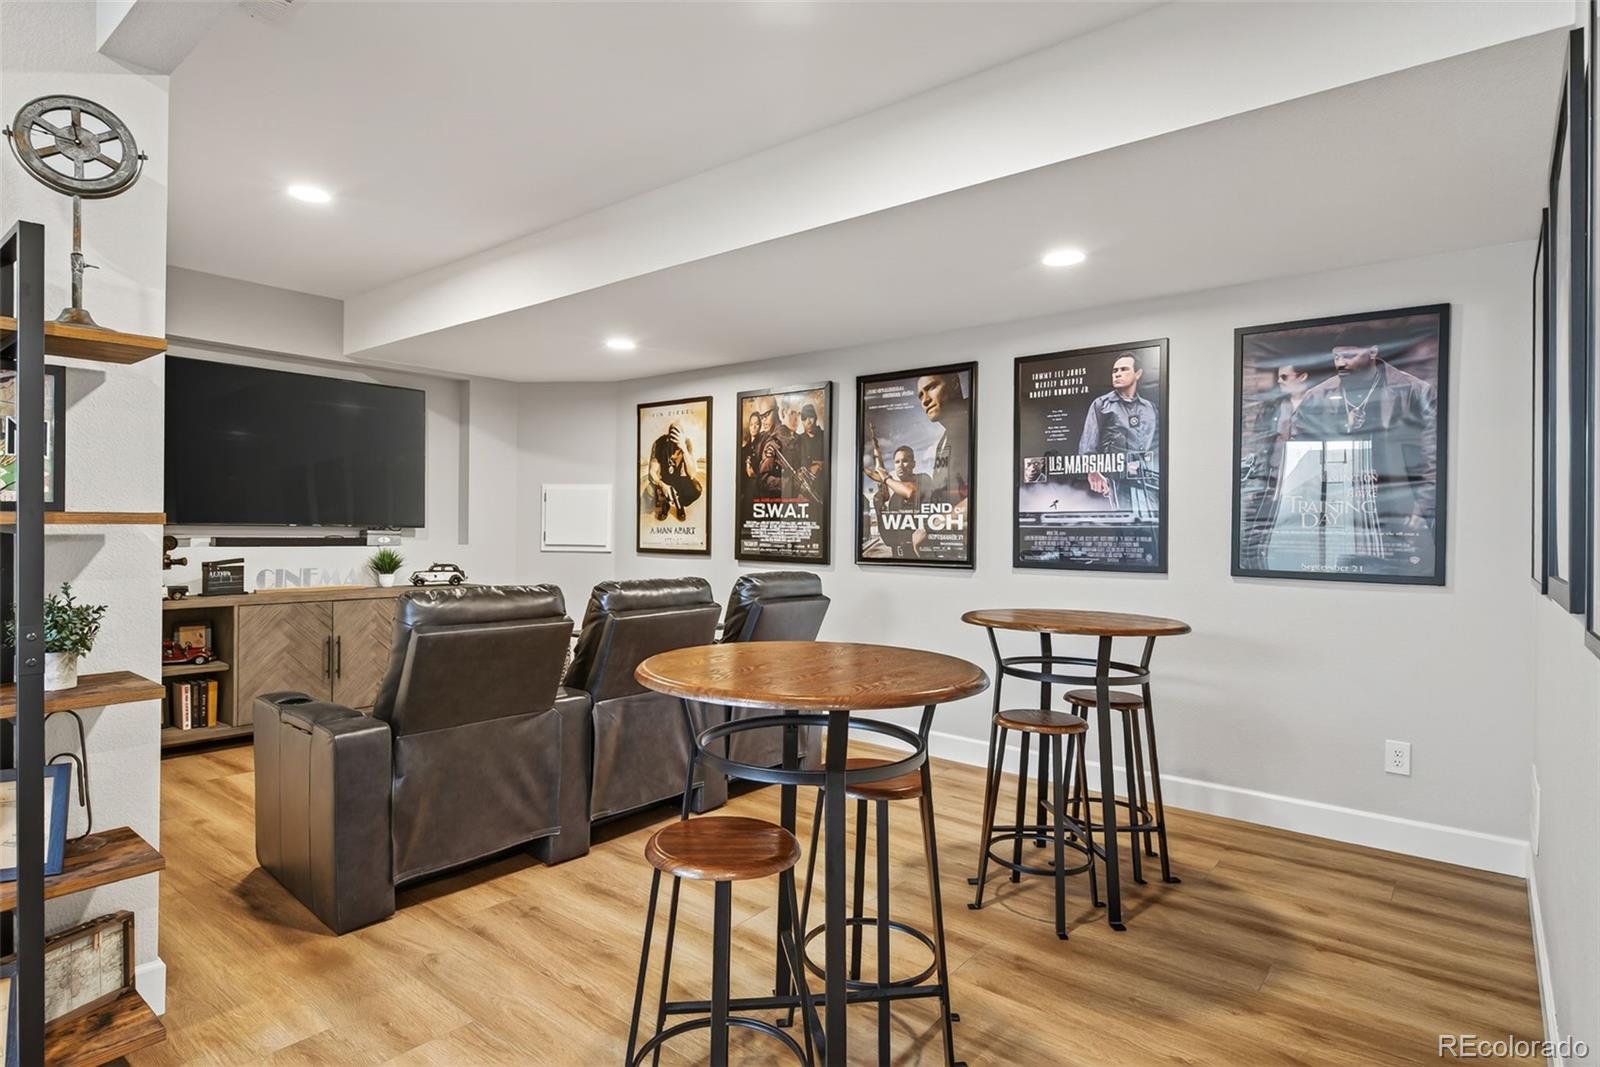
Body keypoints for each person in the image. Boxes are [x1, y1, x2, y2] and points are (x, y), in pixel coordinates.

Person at [1290, 321, 1439, 564]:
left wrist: (1422, 510)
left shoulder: (1415, 391)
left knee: (1399, 576)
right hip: (1341, 508)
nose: (1341, 363)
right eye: (1336, 356)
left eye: (1349, 355)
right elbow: (1301, 454)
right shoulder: (1317, 397)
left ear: (1373, 352)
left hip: (1396, 507)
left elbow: (1433, 455)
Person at [1078, 351, 1159, 508]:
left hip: (1148, 482)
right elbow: (1088, 445)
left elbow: (1156, 447)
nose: (1117, 374)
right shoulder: (1102, 405)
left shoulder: (1150, 408)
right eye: (1115, 371)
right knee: (1126, 526)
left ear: (1138, 374)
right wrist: (1093, 472)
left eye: (1124, 369)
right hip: (1116, 483)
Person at [865, 445, 931, 558]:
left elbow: (910, 492)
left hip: (920, 558)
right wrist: (879, 509)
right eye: (897, 462)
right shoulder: (894, 498)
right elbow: (889, 540)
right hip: (899, 559)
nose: (900, 465)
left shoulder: (924, 479)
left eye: (904, 461)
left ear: (913, 464)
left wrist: (886, 478)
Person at [645, 421, 702, 521]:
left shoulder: (687, 443)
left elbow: (692, 473)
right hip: (664, 478)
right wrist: (662, 485)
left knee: (697, 489)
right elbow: (651, 472)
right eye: (671, 440)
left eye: (677, 440)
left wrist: (683, 448)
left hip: (680, 478)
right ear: (668, 438)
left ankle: (680, 504)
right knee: (649, 495)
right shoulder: (660, 443)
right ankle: (665, 504)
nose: (674, 447)